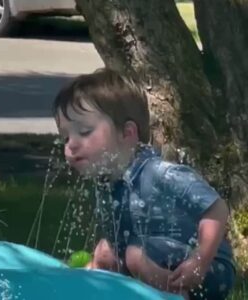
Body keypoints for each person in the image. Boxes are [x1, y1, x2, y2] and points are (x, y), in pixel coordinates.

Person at [53, 68, 235, 300]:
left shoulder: (160, 173)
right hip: (155, 255)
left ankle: (177, 296)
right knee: (105, 250)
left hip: (208, 271)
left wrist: (199, 260)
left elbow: (217, 208)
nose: (71, 146)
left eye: (85, 132)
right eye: (65, 137)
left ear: (127, 133)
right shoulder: (106, 181)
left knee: (134, 253)